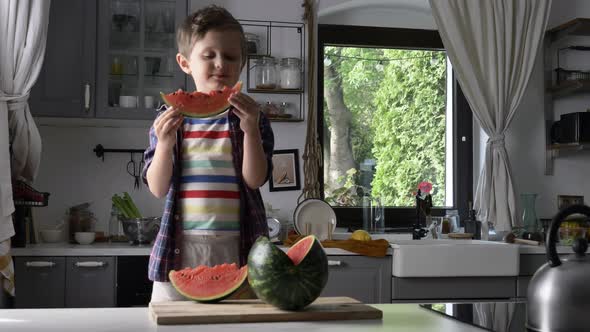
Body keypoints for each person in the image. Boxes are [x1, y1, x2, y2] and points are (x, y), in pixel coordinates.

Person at [142, 5, 274, 302]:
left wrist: (251, 130)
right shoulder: (168, 120)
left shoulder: (252, 117)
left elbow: (255, 179)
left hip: (238, 246)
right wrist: (164, 144)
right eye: (209, 55)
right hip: (180, 246)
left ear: (241, 64)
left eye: (230, 57)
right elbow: (157, 187)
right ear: (185, 63)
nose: (220, 64)